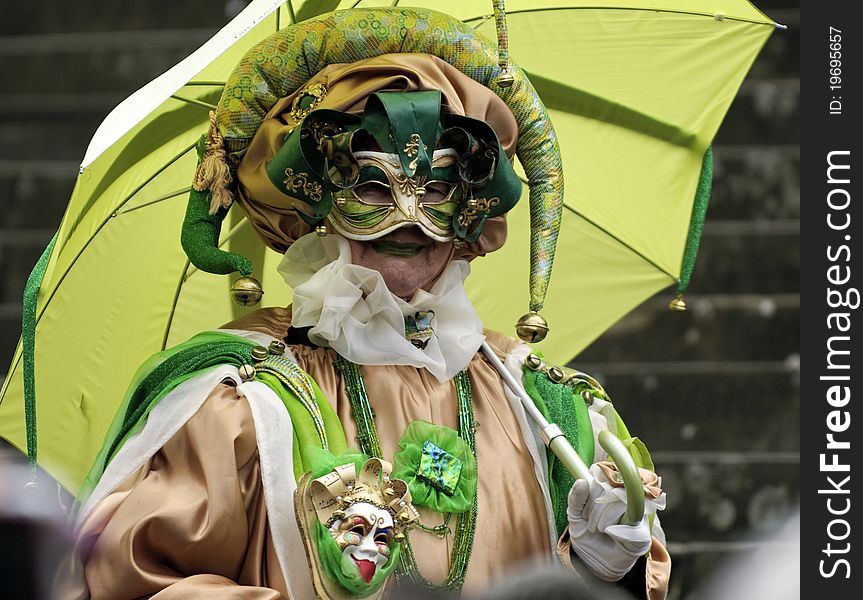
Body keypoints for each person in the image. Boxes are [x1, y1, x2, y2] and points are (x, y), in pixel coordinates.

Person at [67, 7, 668, 600]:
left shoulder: (543, 407)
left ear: (471, 211)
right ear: (314, 203)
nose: (407, 217)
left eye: (435, 187)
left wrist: (602, 570)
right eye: (372, 185)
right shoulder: (237, 403)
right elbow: (134, 582)